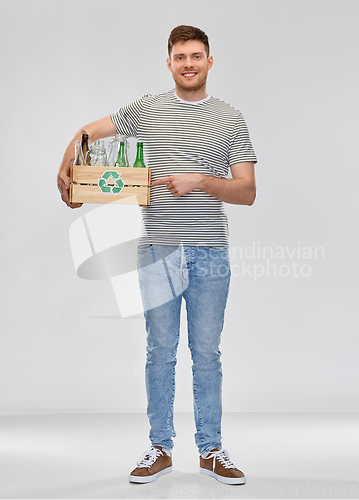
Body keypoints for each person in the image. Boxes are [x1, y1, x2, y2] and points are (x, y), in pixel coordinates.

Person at [57, 25, 257, 486]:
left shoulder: (230, 118)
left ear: (210, 62)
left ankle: (211, 450)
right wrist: (64, 168)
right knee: (160, 352)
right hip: (156, 250)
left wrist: (202, 181)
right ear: (169, 63)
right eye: (181, 56)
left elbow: (247, 191)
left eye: (197, 56)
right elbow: (86, 132)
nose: (189, 63)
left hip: (210, 253)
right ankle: (160, 448)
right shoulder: (147, 110)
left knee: (206, 354)